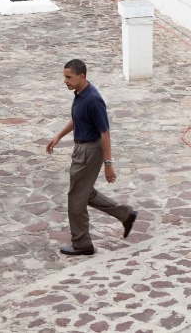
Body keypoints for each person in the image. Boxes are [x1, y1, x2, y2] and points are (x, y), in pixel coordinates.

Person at [46, 59, 137, 256]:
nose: (65, 81)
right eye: (64, 77)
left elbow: (105, 133)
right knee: (85, 193)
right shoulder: (79, 93)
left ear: (82, 76)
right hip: (81, 149)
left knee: (76, 199)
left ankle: (82, 243)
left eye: (68, 77)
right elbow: (76, 118)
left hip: (89, 151)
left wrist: (108, 164)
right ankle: (125, 214)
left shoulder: (93, 100)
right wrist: (58, 136)